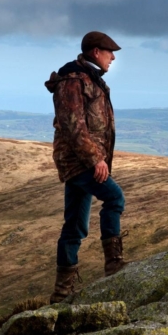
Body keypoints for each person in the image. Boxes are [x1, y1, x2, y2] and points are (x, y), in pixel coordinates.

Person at [44, 31, 128, 303]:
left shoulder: (90, 79)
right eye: (109, 52)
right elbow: (73, 126)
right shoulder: (72, 81)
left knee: (75, 225)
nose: (113, 57)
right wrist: (95, 160)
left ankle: (62, 292)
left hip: (83, 161)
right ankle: (114, 264)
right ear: (95, 52)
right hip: (79, 162)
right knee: (114, 197)